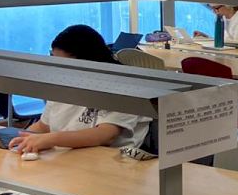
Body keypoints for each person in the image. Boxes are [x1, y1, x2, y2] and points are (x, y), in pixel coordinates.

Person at [8, 25, 150, 155]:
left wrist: (51, 139)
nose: (58, 70)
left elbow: (106, 135)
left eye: (64, 64)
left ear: (87, 62)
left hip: (107, 162)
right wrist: (20, 139)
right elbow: (44, 126)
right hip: (66, 157)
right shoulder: (63, 84)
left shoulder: (123, 88)